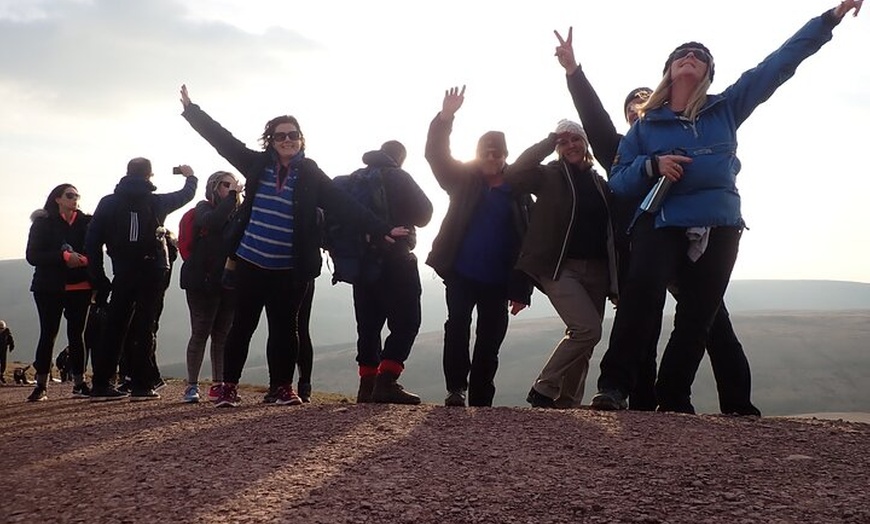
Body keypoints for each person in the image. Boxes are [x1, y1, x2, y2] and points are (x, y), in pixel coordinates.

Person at [591, 0, 863, 412]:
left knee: (698, 315)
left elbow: (778, 64)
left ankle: (673, 397)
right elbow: (619, 181)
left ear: (708, 73)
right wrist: (652, 165)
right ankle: (614, 386)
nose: (691, 56)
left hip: (719, 224)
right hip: (661, 222)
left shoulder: (726, 108)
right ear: (669, 70)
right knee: (641, 296)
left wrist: (830, 18)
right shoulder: (645, 127)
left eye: (700, 56)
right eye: (682, 54)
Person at [555, 28, 760, 415]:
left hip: (693, 232)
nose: (638, 108)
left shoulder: (691, 126)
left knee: (709, 319)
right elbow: (594, 119)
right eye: (631, 106)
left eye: (643, 101)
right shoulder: (625, 145)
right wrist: (574, 72)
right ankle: (640, 405)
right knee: (642, 319)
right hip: (647, 242)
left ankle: (729, 401)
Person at [179, 85, 409, 408]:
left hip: (290, 267)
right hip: (250, 261)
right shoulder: (257, 165)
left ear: (301, 139)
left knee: (285, 330)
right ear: (270, 141)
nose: (287, 140)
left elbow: (343, 204)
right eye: (280, 136)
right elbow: (222, 140)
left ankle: (282, 388)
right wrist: (192, 110)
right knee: (242, 325)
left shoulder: (311, 173)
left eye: (293, 135)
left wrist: (381, 228)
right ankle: (227, 387)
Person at [425, 86, 533, 408]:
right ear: (477, 153)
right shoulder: (461, 179)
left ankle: (482, 400)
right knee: (457, 325)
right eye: (486, 152)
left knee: (490, 339)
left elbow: (526, 242)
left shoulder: (518, 193)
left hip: (498, 280)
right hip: (460, 272)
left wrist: (522, 289)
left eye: (497, 153)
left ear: (505, 157)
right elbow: (435, 155)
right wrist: (445, 118)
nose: (491, 157)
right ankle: (456, 389)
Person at [504, 118, 619, 409]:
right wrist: (549, 140)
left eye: (576, 139)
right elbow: (514, 174)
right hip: (560, 267)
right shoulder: (549, 175)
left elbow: (611, 233)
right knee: (588, 330)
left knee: (585, 341)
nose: (571, 146)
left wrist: (616, 281)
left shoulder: (600, 183)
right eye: (564, 142)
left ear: (585, 143)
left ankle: (568, 404)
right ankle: (543, 388)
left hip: (598, 270)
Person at [86, 158, 197, 401]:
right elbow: (186, 195)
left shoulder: (108, 203)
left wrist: (98, 277)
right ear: (150, 175)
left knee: (115, 325)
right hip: (152, 270)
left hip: (123, 271)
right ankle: (141, 385)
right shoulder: (157, 202)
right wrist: (190, 176)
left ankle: (102, 383)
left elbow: (92, 241)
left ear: (126, 173)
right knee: (145, 326)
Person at [334, 140, 433, 404]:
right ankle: (386, 381)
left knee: (368, 325)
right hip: (396, 259)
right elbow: (425, 214)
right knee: (407, 321)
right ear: (400, 157)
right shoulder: (398, 176)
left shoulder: (354, 179)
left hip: (362, 262)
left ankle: (366, 385)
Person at [24, 184, 93, 401]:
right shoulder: (43, 223)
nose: (75, 199)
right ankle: (41, 386)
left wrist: (83, 260)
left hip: (81, 286)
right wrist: (63, 257)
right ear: (58, 199)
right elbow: (32, 256)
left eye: (77, 196)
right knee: (48, 334)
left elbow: (96, 250)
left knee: (77, 336)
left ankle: (80, 384)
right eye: (69, 195)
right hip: (49, 287)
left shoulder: (87, 223)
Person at [179, 171, 242, 403]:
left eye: (234, 185)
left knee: (222, 336)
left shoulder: (237, 213)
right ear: (214, 187)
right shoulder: (203, 208)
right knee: (200, 333)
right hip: (201, 282)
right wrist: (233, 197)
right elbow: (213, 222)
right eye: (226, 185)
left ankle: (218, 384)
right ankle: (192, 386)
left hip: (228, 283)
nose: (231, 189)